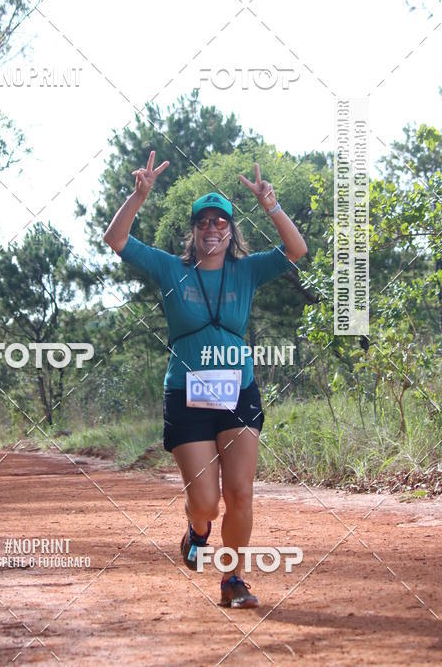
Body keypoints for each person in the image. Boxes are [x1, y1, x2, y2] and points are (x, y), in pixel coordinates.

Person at [103, 151, 308, 608]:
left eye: (221, 222)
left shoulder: (247, 269)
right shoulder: (170, 269)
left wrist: (271, 205)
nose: (212, 228)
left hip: (239, 393)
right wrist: (139, 196)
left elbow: (296, 250)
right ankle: (197, 530)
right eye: (203, 222)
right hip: (186, 395)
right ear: (193, 231)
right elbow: (115, 239)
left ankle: (233, 579)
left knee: (240, 493)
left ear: (231, 230)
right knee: (206, 502)